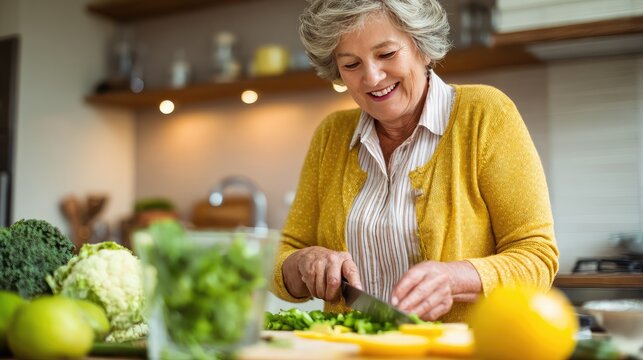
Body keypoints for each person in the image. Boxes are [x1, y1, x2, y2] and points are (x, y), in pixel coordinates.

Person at [271, 0, 559, 322]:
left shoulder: (485, 115)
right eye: (351, 65)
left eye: (387, 54)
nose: (372, 76)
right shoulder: (331, 135)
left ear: (423, 48)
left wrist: (455, 278)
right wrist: (304, 262)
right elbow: (281, 256)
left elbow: (537, 257)